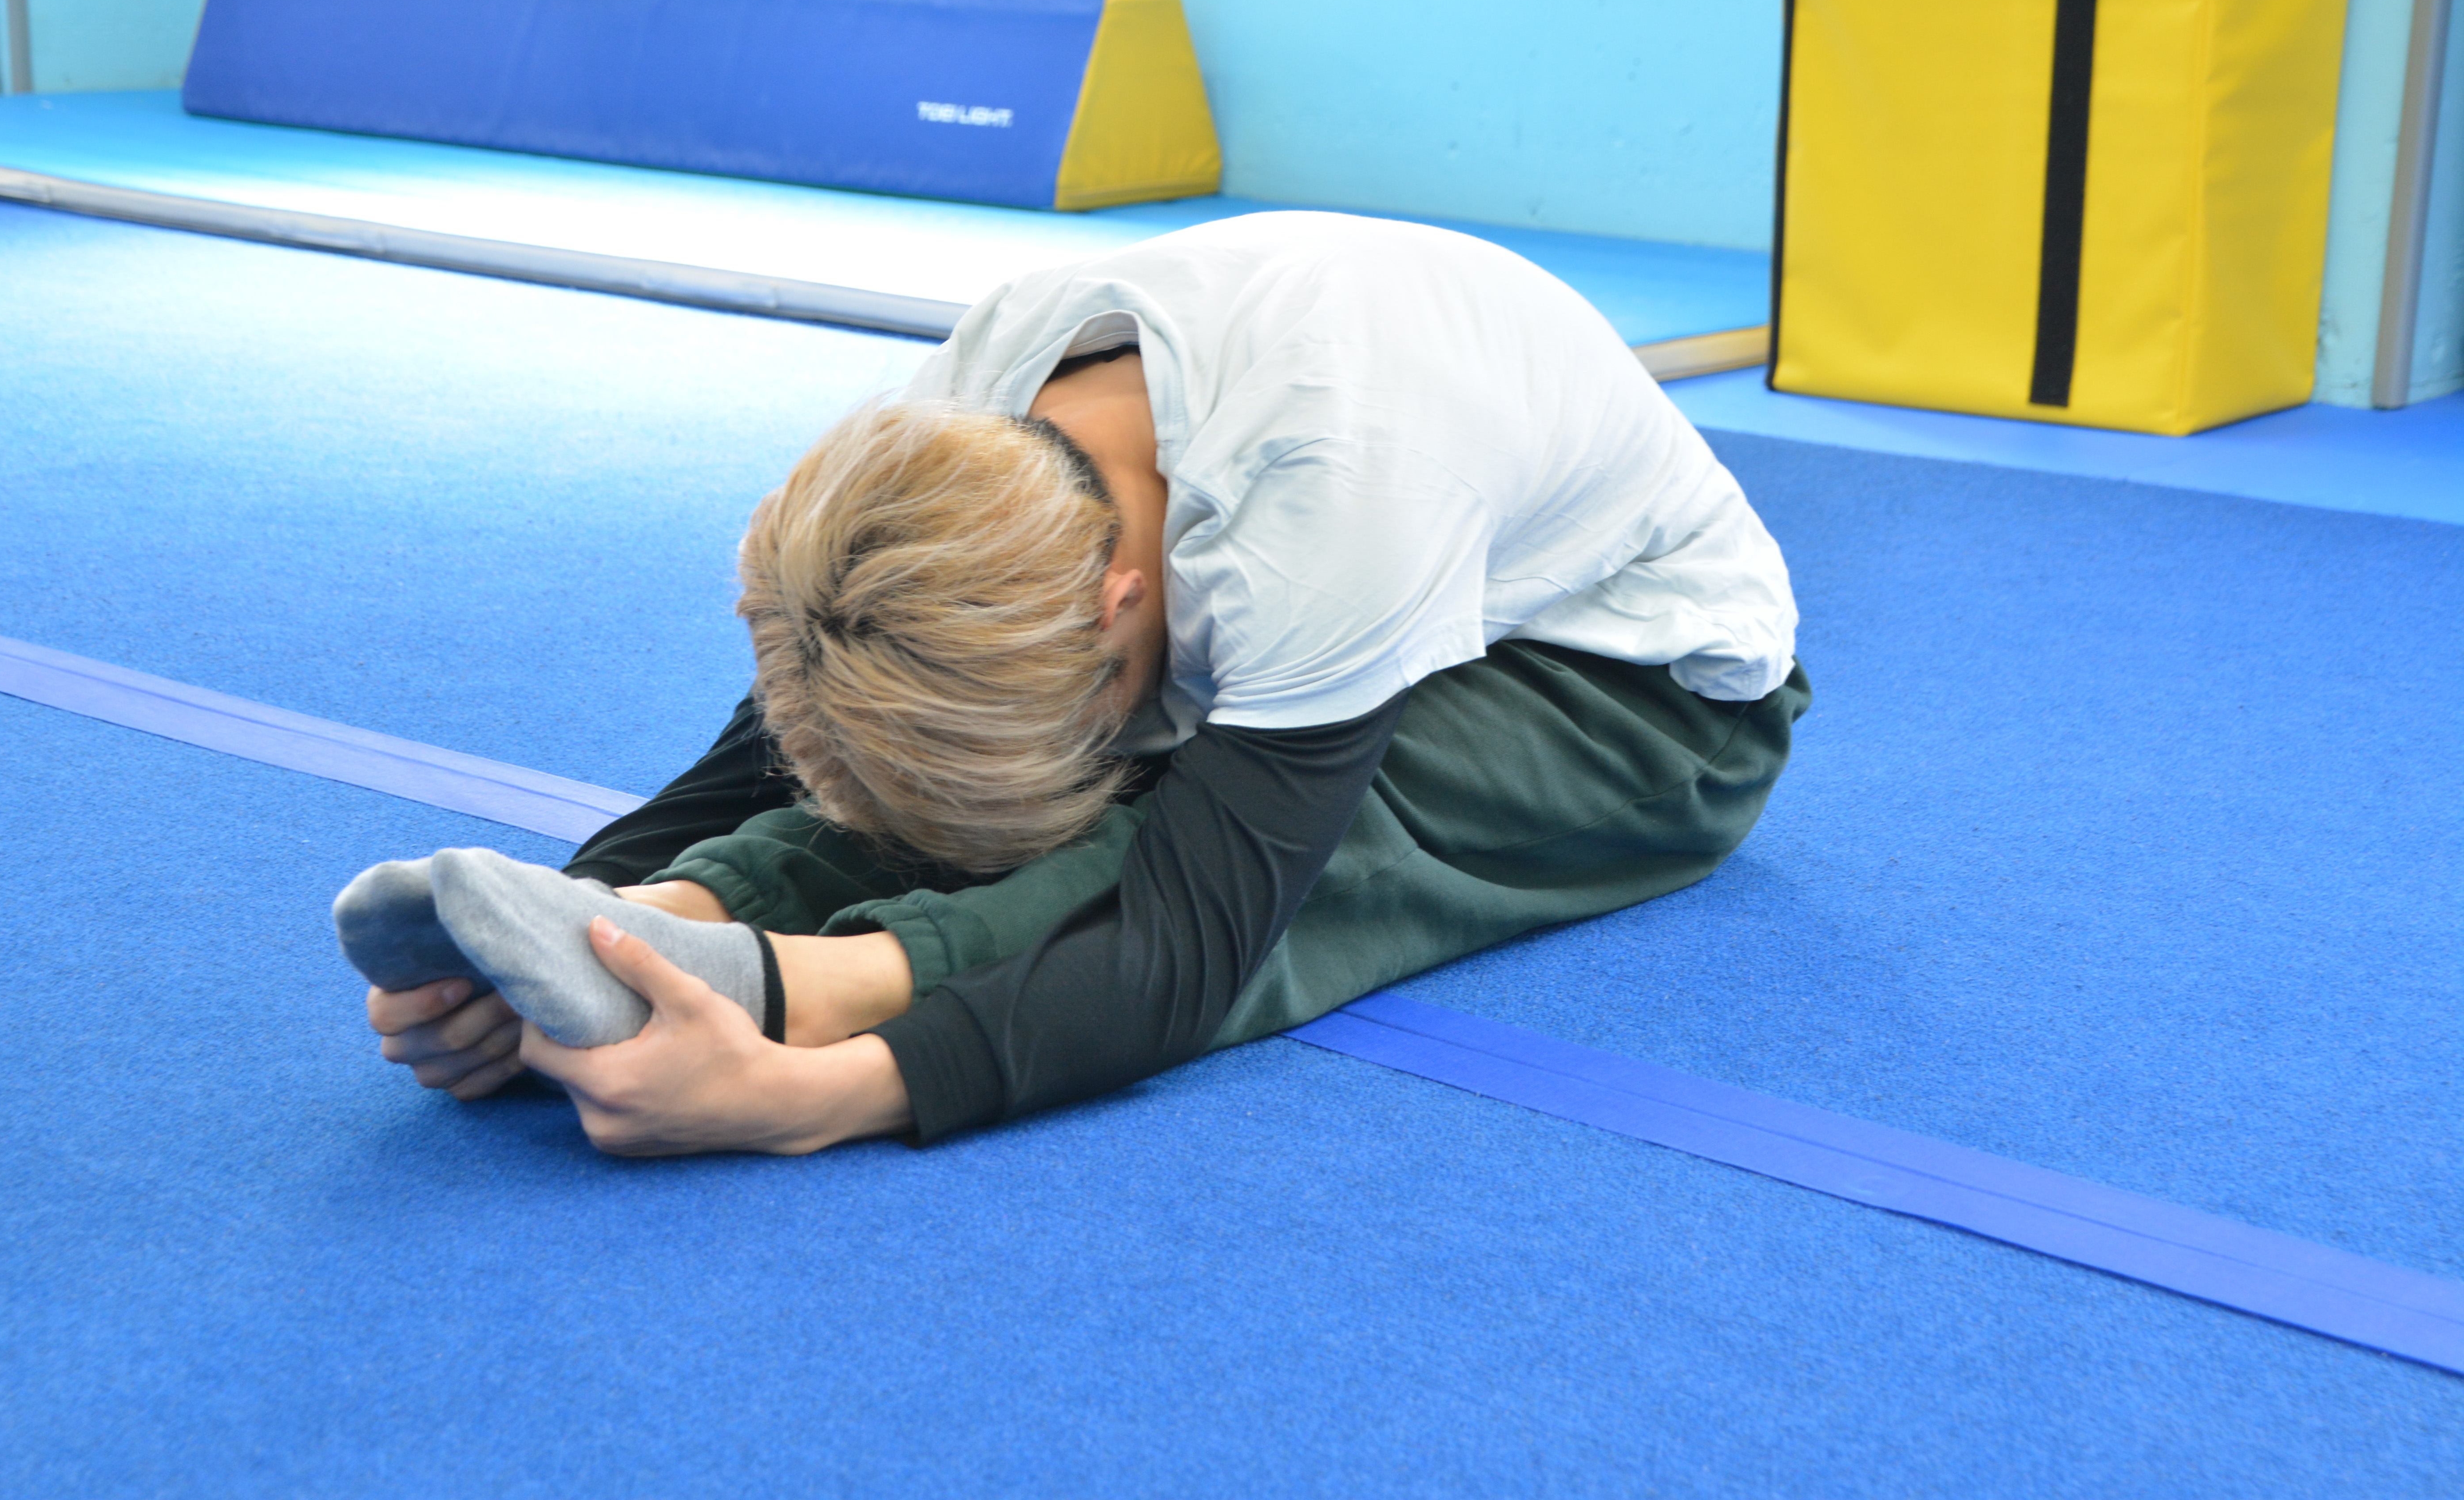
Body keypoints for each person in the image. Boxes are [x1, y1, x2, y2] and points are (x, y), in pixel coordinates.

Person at [365, 211, 1807, 1155]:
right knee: (924, 753)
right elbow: (805, 721)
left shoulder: (1324, 496)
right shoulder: (973, 412)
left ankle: (811, 980)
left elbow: (1190, 943)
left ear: (1121, 599)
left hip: (1637, 695)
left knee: (1234, 840)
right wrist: (588, 909)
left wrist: (808, 1093)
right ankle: (688, 932)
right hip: (1338, 570)